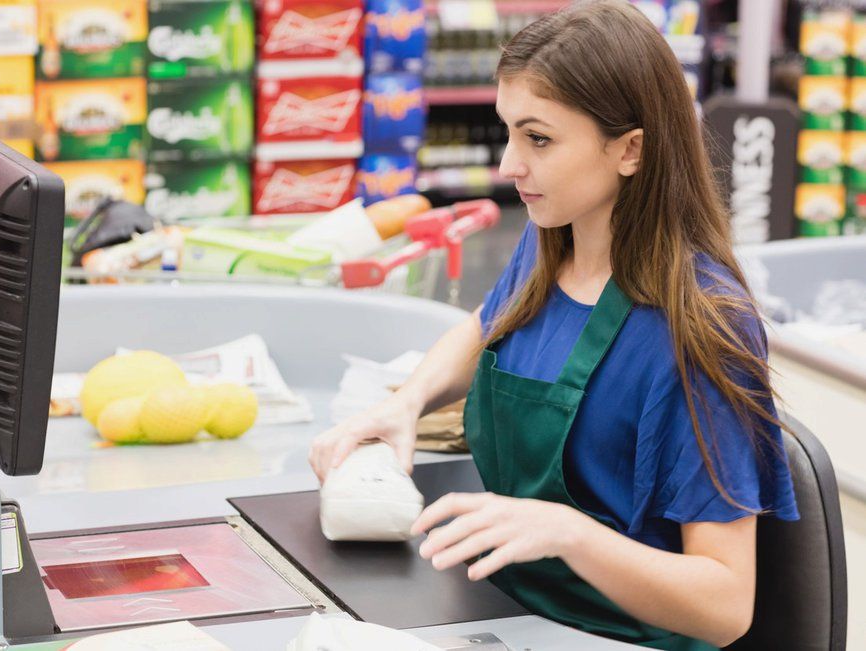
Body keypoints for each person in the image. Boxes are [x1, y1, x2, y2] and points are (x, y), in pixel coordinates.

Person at [309, 1, 799, 648]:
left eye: (538, 138)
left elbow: (726, 601)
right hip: (507, 611)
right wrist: (407, 402)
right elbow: (486, 325)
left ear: (629, 150)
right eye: (508, 131)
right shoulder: (553, 241)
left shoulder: (703, 329)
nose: (511, 164)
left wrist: (569, 533)